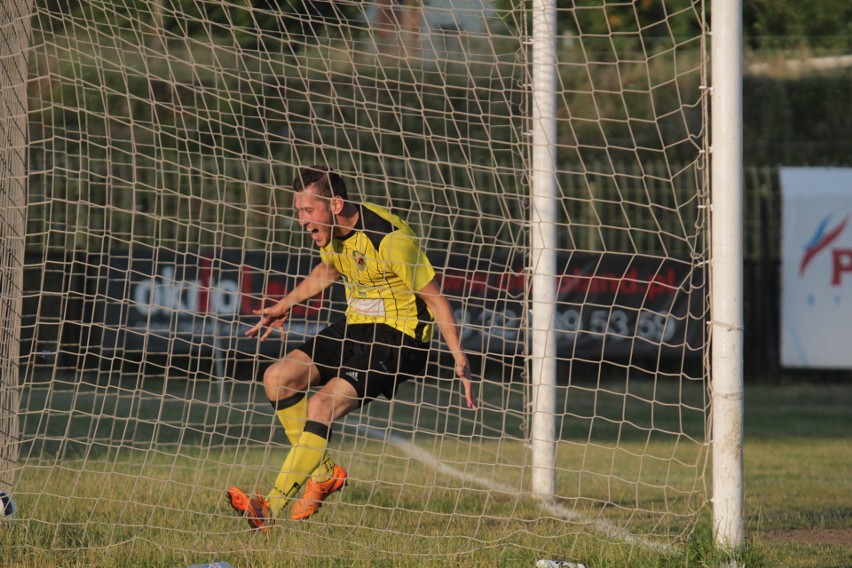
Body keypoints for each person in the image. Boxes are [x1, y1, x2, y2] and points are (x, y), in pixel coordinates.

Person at [227, 165, 477, 530]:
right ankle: (325, 474)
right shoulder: (335, 236)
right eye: (299, 212)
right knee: (278, 377)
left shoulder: (389, 240)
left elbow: (437, 301)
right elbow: (328, 272)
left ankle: (270, 507)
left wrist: (459, 358)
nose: (302, 221)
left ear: (336, 204)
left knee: (321, 404)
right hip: (357, 326)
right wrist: (285, 304)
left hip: (399, 337)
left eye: (308, 211)